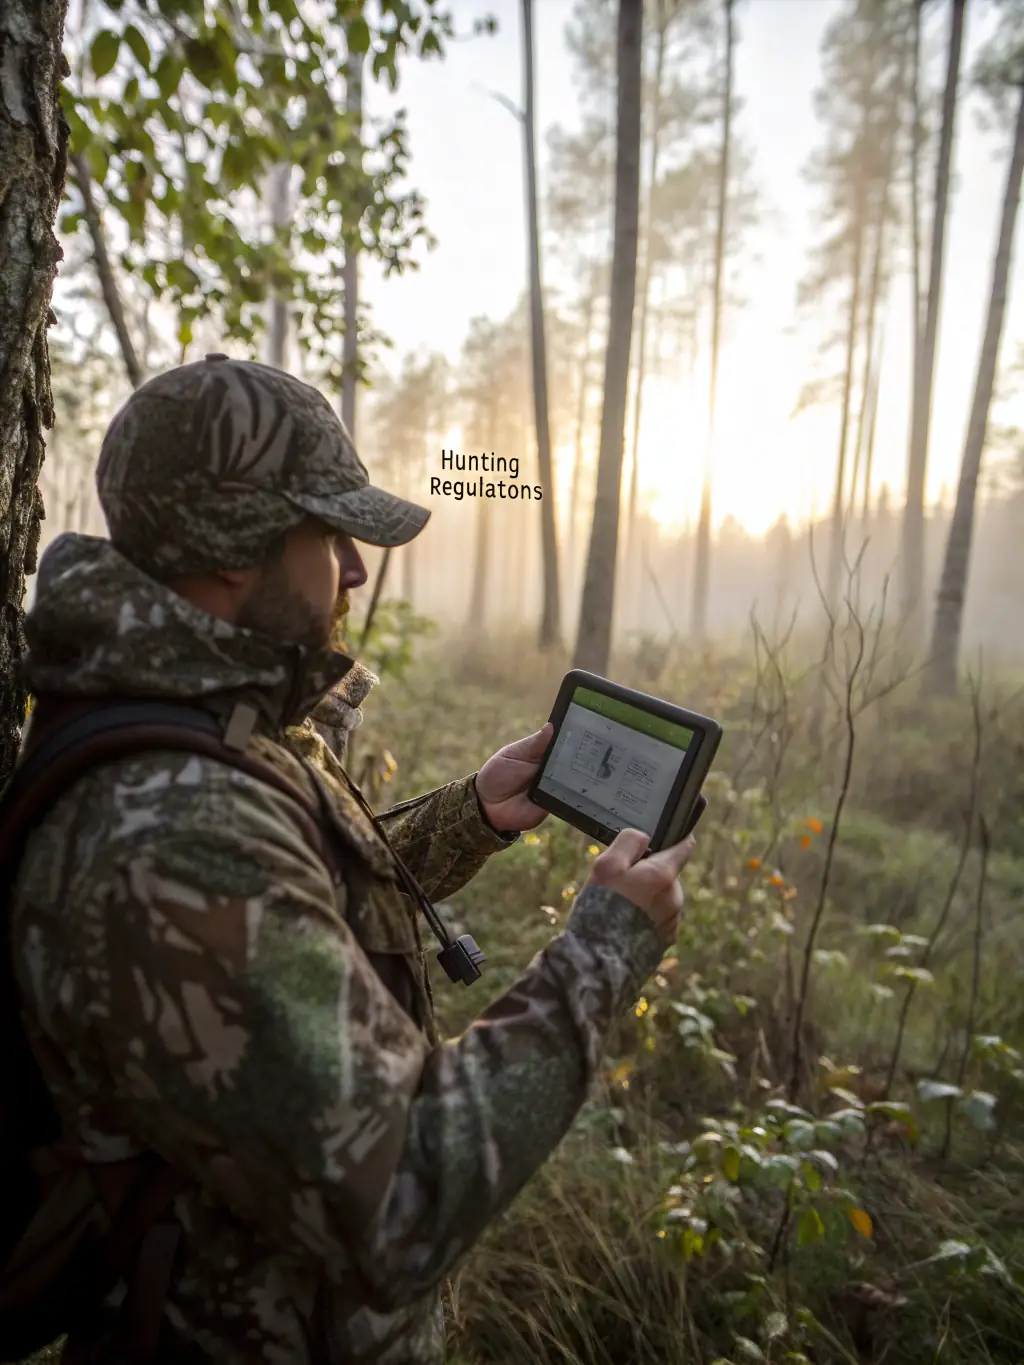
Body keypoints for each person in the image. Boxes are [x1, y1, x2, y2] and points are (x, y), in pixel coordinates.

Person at [10, 355, 696, 1364]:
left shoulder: (197, 713)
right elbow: (402, 1194)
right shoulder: (172, 832)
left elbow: (296, 899)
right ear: (233, 550)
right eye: (330, 534)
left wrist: (471, 817)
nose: (356, 569)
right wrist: (602, 953)